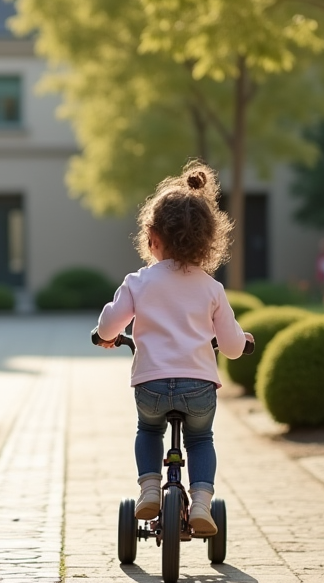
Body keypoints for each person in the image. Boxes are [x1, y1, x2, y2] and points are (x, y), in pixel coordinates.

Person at [93, 162, 252, 536]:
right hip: (198, 388)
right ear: (208, 242)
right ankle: (200, 501)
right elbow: (229, 347)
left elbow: (109, 325)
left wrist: (106, 336)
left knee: (148, 431)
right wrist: (242, 342)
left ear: (152, 237)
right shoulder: (212, 288)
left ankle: (149, 488)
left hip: (150, 386)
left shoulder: (138, 282)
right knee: (200, 439)